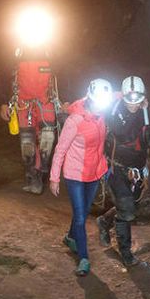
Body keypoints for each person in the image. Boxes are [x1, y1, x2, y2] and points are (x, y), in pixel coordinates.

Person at [95, 76, 150, 267]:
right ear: (122, 96)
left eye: (137, 98)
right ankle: (125, 252)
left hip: (137, 171)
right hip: (115, 168)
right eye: (129, 97)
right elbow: (94, 120)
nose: (133, 103)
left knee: (132, 206)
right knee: (127, 209)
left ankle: (104, 222)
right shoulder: (111, 111)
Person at [50, 78, 113, 277]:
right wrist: (54, 178)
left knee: (83, 212)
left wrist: (136, 97)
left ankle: (70, 237)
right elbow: (60, 149)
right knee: (80, 216)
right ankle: (84, 258)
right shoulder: (75, 120)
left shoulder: (101, 115)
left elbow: (119, 96)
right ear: (90, 98)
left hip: (93, 173)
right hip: (75, 175)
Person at [0, 46, 64, 194]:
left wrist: (65, 101)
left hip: (45, 101)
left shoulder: (51, 50)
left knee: (47, 139)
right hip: (24, 104)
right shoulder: (16, 51)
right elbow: (3, 77)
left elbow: (63, 75)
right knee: (27, 143)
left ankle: (41, 174)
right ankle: (33, 176)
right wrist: (4, 102)